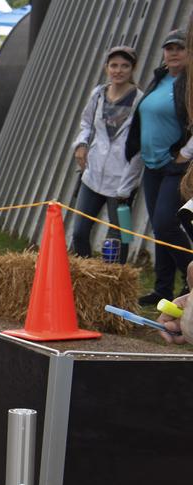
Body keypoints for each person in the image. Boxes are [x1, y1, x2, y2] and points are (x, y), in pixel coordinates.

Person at [125, 29, 192, 305]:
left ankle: (190, 281)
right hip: (152, 166)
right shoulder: (160, 79)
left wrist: (184, 153)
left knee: (166, 223)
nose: (173, 52)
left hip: (175, 166)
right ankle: (163, 288)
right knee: (159, 226)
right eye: (168, 48)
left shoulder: (190, 84)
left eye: (179, 47)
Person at [69, 45, 142, 263]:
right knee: (79, 232)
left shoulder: (140, 100)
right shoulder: (98, 94)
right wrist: (81, 144)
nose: (118, 70)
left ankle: (115, 283)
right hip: (92, 176)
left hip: (121, 181)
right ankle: (86, 275)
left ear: (132, 69)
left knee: (119, 238)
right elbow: (86, 124)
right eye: (114, 65)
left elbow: (138, 146)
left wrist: (128, 185)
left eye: (124, 66)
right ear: (106, 68)